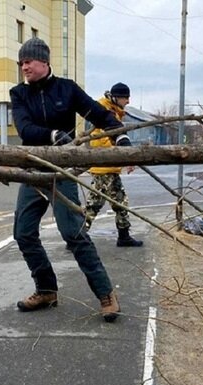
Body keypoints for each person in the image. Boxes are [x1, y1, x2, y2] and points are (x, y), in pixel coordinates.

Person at [10, 37, 130, 322]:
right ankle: (47, 290)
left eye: (28, 61)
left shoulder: (67, 89)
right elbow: (24, 128)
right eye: (21, 63)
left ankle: (106, 294)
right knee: (23, 233)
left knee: (73, 234)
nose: (24, 66)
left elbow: (101, 115)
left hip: (63, 171)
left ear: (44, 61)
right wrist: (52, 135)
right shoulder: (18, 93)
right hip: (33, 170)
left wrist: (120, 135)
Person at [84, 83, 143, 247]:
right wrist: (124, 158)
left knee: (96, 204)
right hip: (105, 167)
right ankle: (122, 237)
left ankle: (77, 235)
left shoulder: (112, 110)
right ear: (117, 97)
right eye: (126, 98)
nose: (128, 102)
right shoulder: (105, 111)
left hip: (104, 167)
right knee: (117, 202)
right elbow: (102, 140)